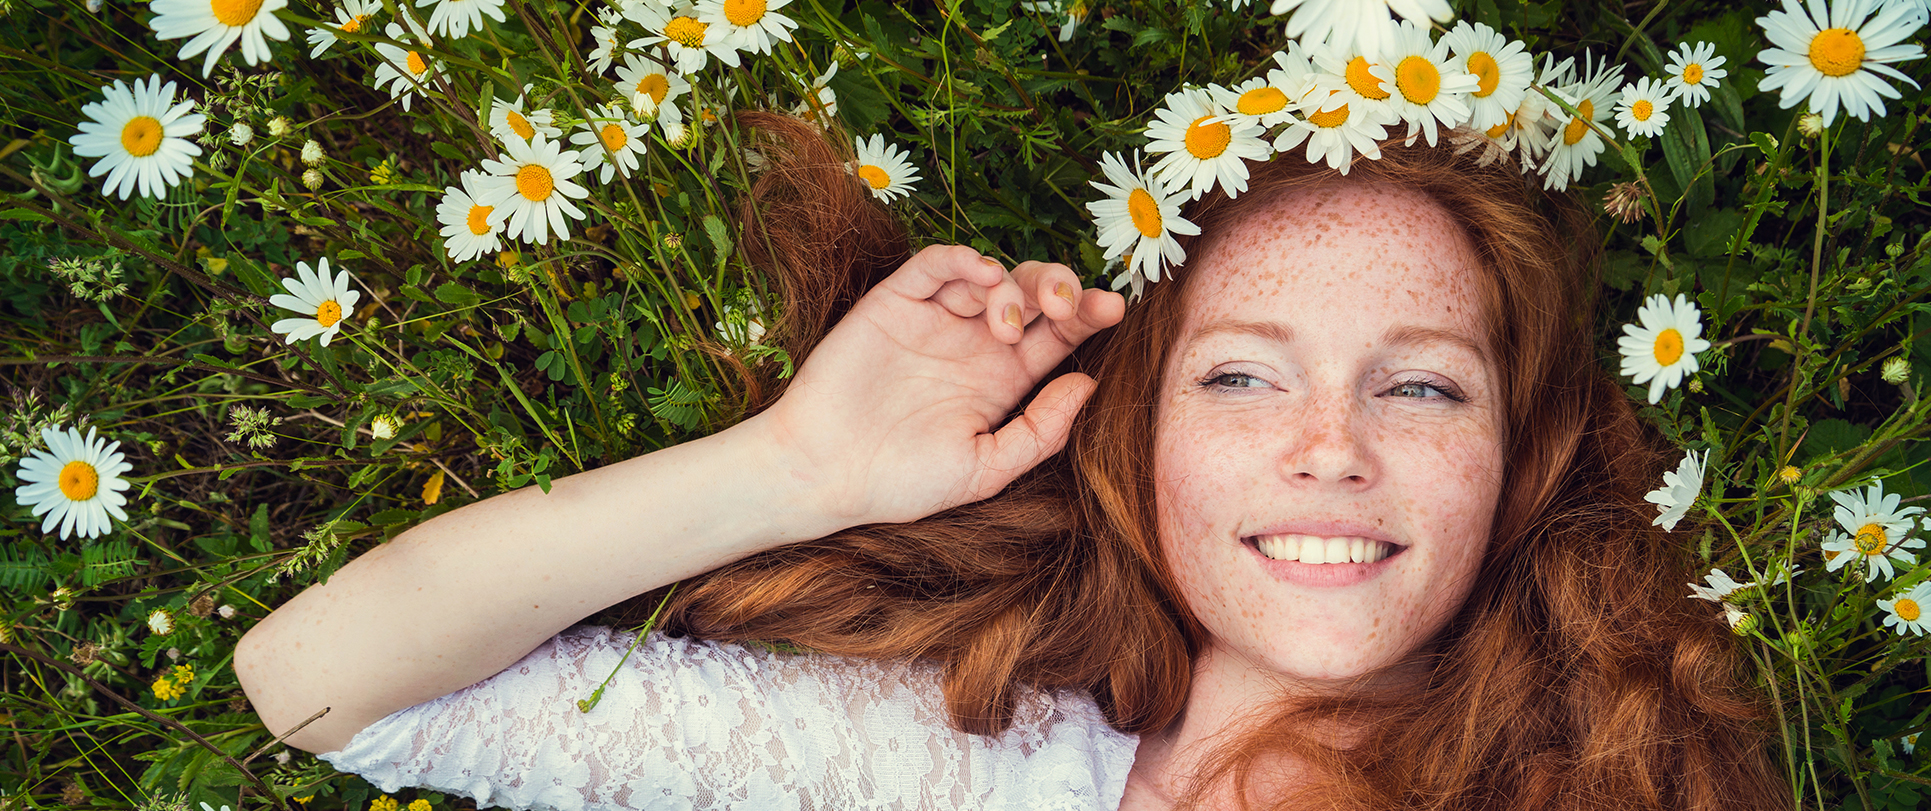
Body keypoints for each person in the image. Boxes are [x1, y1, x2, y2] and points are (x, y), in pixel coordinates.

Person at [234, 112, 1790, 809]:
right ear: (1141, 439)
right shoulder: (967, 776)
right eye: (1244, 375)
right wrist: (797, 468)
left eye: (1426, 391)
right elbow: (322, 684)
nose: (1331, 450)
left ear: (1517, 464)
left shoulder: (1613, 794)